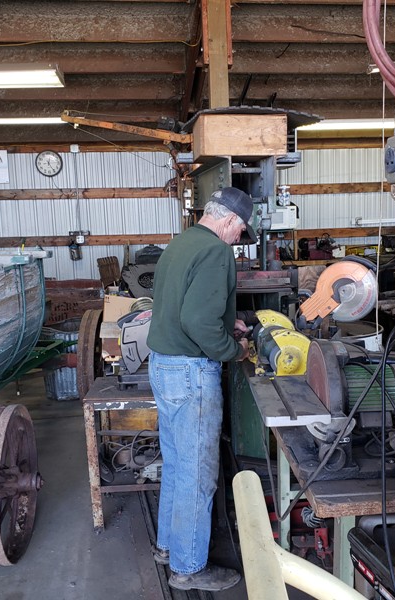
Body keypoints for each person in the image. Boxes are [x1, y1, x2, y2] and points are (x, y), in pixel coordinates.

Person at [146, 187, 254, 592]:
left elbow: (181, 308)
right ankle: (189, 567)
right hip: (191, 373)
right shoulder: (215, 251)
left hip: (165, 366)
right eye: (240, 230)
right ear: (228, 221)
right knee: (198, 475)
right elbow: (196, 320)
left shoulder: (181, 242)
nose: (237, 239)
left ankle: (168, 547)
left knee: (177, 466)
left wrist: (227, 326)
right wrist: (233, 348)